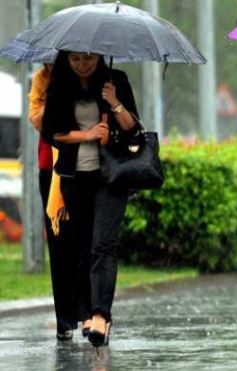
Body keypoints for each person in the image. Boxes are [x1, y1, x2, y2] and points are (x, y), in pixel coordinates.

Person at [42, 51, 139, 347]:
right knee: (82, 245)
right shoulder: (60, 86)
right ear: (66, 61)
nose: (82, 65)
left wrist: (114, 102)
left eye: (88, 59)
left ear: (99, 56)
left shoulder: (116, 80)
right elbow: (51, 133)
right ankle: (85, 313)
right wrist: (85, 136)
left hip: (110, 177)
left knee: (103, 245)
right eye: (75, 60)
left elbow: (133, 128)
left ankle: (100, 316)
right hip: (75, 178)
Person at [29, 64, 83, 341]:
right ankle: (65, 318)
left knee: (84, 240)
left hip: (85, 166)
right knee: (58, 240)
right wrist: (56, 96)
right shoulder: (43, 78)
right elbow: (37, 120)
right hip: (50, 169)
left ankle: (89, 313)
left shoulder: (90, 77)